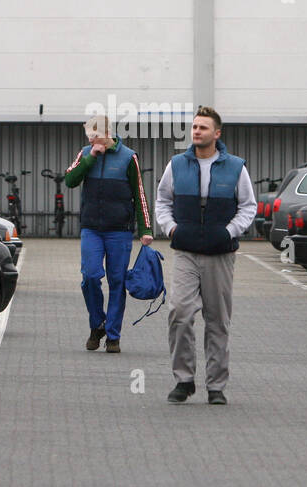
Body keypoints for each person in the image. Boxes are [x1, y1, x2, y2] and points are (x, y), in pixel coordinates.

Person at [154, 106, 256, 404]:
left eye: (203, 128)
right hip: (185, 252)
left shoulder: (235, 167)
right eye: (195, 127)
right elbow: (162, 200)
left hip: (220, 255)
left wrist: (229, 232)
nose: (196, 131)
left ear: (217, 133)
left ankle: (216, 386)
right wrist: (171, 229)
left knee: (217, 320)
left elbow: (248, 206)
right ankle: (184, 380)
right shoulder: (176, 164)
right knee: (180, 314)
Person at [64, 114, 153, 353]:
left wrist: (145, 229)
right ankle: (97, 324)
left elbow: (140, 194)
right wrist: (90, 158)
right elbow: (70, 180)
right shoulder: (85, 153)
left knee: (117, 282)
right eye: (89, 136)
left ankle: (113, 336)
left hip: (119, 232)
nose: (91, 140)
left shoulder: (128, 157)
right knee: (90, 276)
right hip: (91, 229)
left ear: (107, 133)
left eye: (95, 135)